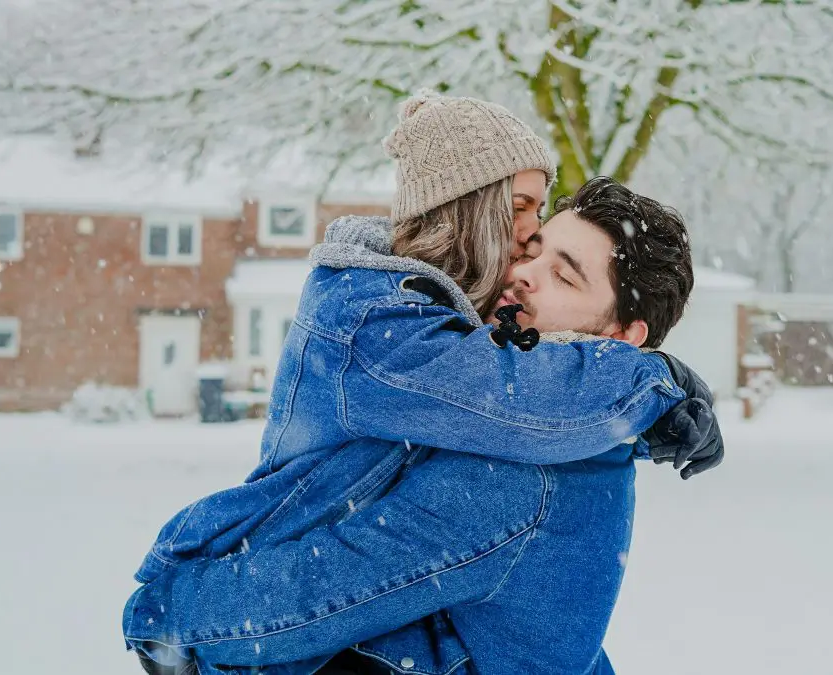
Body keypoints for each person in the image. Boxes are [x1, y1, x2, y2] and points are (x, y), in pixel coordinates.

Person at [124, 96, 722, 674]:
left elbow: (329, 586)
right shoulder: (408, 340)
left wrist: (172, 616)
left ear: (622, 337)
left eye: (563, 277)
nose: (520, 269)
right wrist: (658, 383)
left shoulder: (524, 469)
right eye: (528, 238)